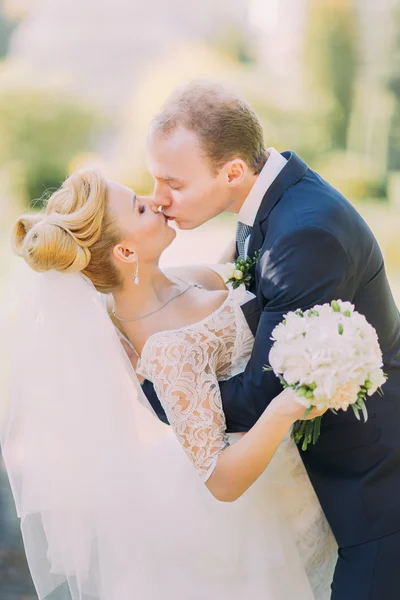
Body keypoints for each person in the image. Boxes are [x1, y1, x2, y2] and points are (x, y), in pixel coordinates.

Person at [1, 169, 336, 600]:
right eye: (140, 207)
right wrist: (287, 406)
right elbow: (221, 480)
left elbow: (243, 280)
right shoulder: (164, 349)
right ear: (124, 250)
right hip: (255, 509)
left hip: (298, 469)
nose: (154, 201)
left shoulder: (175, 280)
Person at [142, 80, 400, 600]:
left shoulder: (305, 233)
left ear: (233, 170)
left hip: (376, 481)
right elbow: (234, 288)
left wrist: (153, 392)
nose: (158, 199)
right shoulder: (271, 197)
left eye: (174, 183)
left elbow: (264, 393)